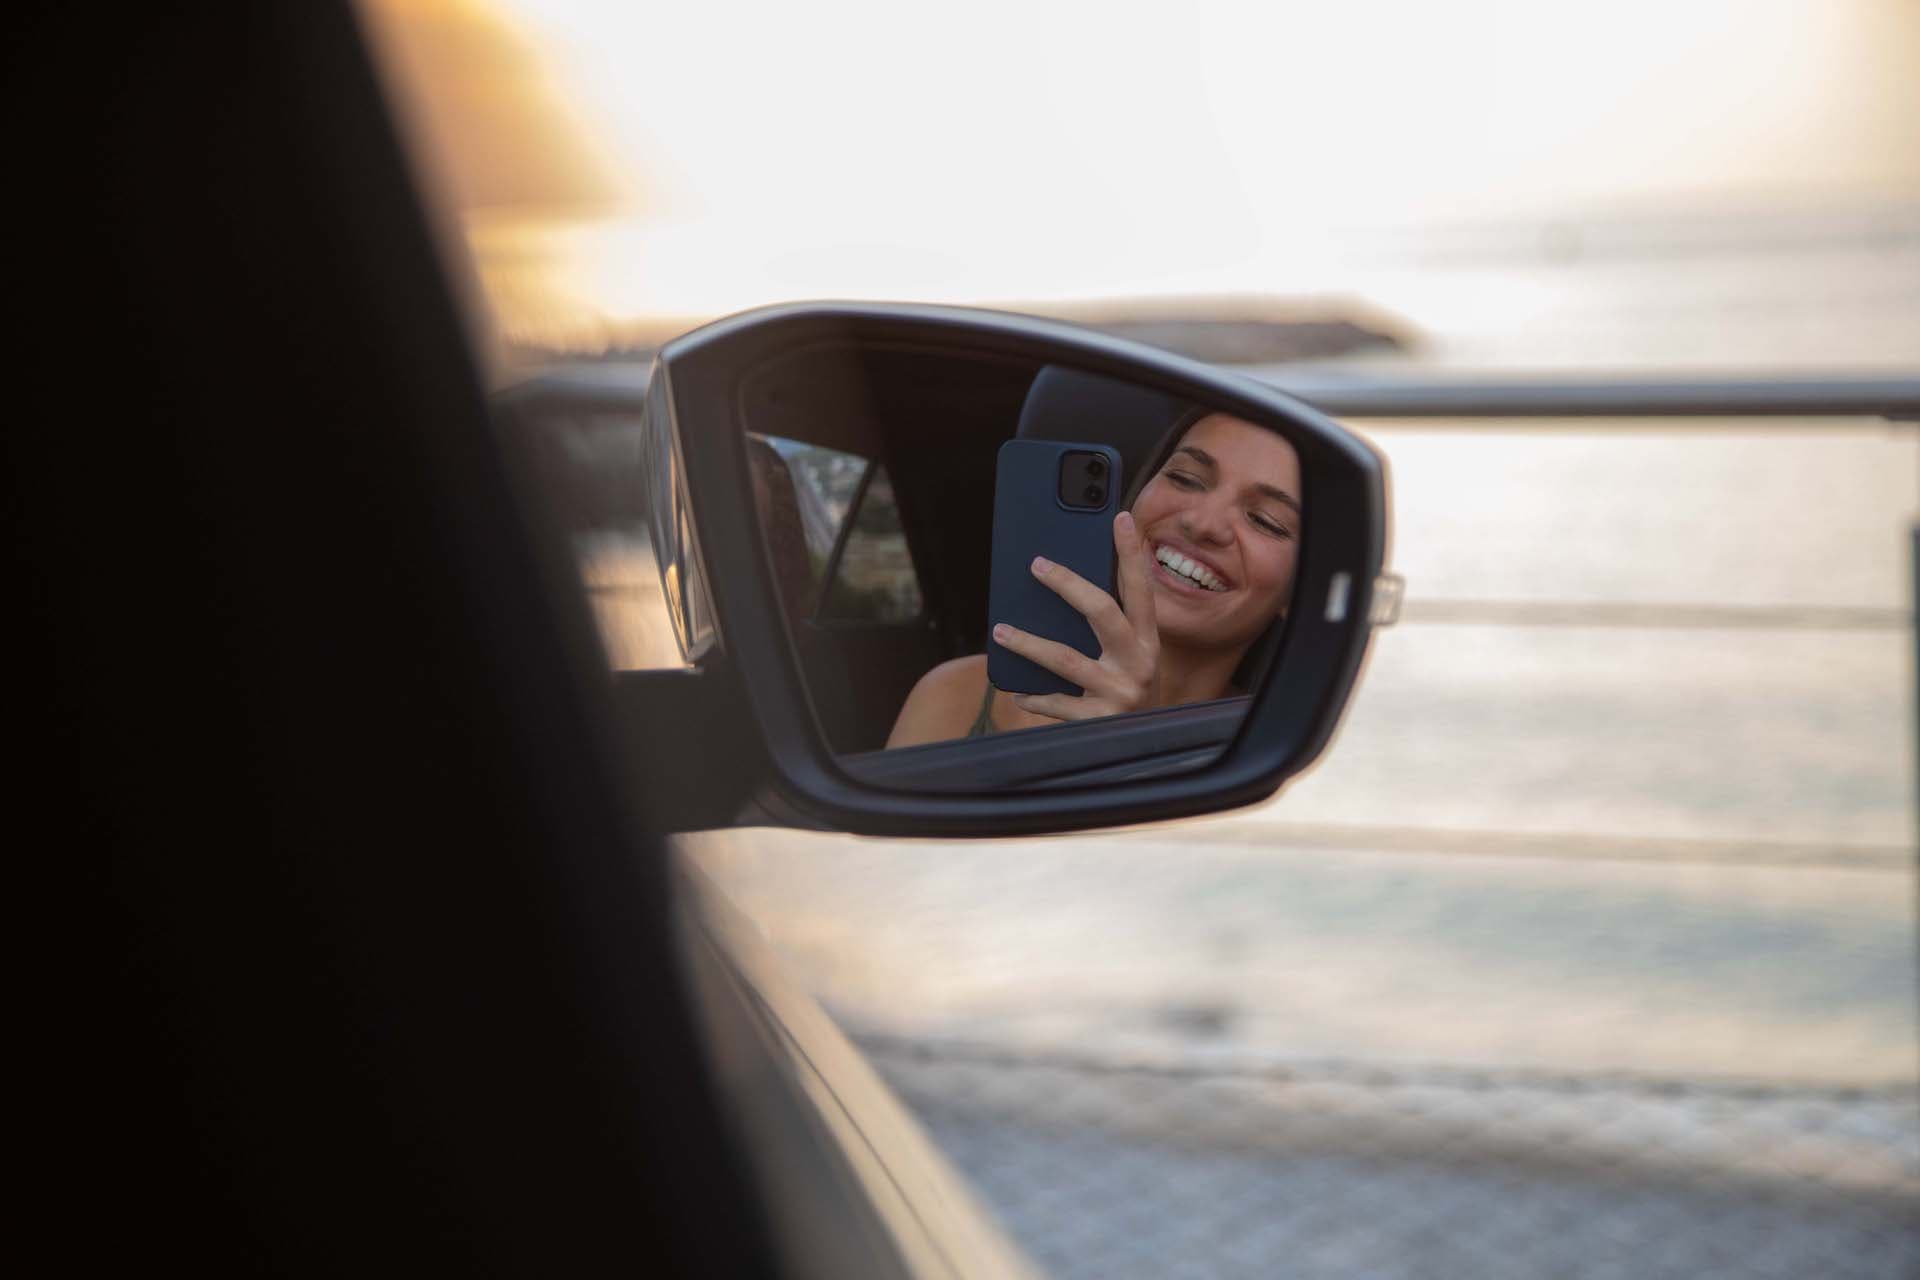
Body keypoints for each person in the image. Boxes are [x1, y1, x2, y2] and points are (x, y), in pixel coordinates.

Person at [885, 409, 1302, 748]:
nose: (1202, 523)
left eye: (1267, 522)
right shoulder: (954, 692)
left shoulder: (1276, 751)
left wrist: (1137, 748)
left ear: (1303, 586)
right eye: (1185, 478)